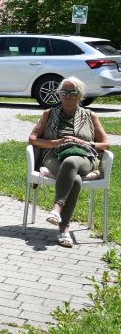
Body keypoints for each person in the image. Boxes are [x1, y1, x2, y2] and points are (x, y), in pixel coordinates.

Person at [28, 76, 109, 248]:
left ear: (80, 95)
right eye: (64, 92)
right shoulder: (49, 114)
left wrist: (86, 143)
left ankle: (57, 208)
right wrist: (56, 143)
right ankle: (63, 229)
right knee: (76, 179)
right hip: (54, 157)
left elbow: (106, 144)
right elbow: (33, 139)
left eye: (73, 92)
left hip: (84, 158)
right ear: (58, 94)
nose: (68, 95)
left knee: (71, 162)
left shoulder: (90, 115)